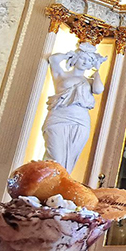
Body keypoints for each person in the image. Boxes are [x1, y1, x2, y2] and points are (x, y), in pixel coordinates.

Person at [43, 43, 107, 172]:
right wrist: (68, 55)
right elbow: (53, 59)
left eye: (90, 61)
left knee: (69, 160)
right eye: (83, 58)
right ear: (76, 57)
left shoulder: (89, 81)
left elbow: (99, 89)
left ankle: (60, 184)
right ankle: (45, 182)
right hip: (59, 118)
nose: (86, 62)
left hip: (80, 121)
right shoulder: (61, 75)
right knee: (55, 157)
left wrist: (97, 72)